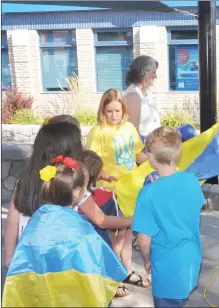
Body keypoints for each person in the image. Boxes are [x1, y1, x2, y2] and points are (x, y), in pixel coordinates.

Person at [5, 117, 133, 296]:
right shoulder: (74, 185)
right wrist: (132, 220)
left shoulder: (24, 181)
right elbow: (102, 220)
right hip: (63, 265)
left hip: (29, 260)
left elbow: (12, 222)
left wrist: (10, 259)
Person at [3, 158, 128, 307]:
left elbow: (22, 267)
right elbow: (103, 268)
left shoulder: (34, 226)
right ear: (77, 194)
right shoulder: (83, 232)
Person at [132, 126, 205, 308]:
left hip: (167, 268)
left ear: (150, 156)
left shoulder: (148, 193)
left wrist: (146, 260)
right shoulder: (191, 181)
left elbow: (143, 240)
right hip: (191, 259)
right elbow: (189, 206)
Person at [86, 89, 151, 292]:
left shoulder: (130, 128)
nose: (114, 116)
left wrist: (157, 161)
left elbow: (138, 155)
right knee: (116, 237)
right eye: (109, 111)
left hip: (131, 189)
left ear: (123, 110)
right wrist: (105, 177)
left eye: (117, 110)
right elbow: (91, 164)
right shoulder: (97, 132)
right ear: (102, 111)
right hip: (109, 193)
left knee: (128, 231)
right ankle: (114, 278)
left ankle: (127, 270)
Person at [124, 55, 161, 141]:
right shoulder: (133, 95)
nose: (156, 76)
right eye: (154, 72)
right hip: (144, 149)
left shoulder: (147, 91)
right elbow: (133, 131)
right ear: (143, 72)